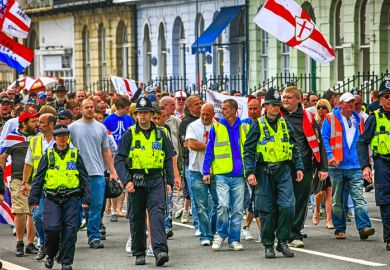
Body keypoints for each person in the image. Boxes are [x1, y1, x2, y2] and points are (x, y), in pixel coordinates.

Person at [115, 97, 179, 266]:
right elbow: (119, 159)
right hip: (135, 182)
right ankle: (139, 252)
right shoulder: (130, 134)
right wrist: (126, 180)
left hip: (156, 180)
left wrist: (169, 182)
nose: (143, 116)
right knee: (136, 217)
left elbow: (168, 158)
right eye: (140, 113)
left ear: (151, 114)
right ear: (136, 115)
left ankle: (160, 251)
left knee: (157, 215)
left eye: (146, 113)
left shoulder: (160, 133)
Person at [244, 87, 304, 258]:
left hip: (284, 170)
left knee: (288, 206)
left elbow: (294, 148)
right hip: (264, 172)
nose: (276, 108)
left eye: (278, 105)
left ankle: (283, 241)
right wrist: (250, 172)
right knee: (267, 211)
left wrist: (298, 167)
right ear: (266, 106)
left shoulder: (286, 124)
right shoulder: (257, 125)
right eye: (272, 105)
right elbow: (248, 151)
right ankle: (268, 244)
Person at [29, 124, 91, 270]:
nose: (62, 138)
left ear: (68, 137)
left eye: (65, 136)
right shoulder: (48, 155)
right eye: (59, 136)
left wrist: (86, 199)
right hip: (52, 198)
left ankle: (66, 262)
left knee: (70, 231)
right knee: (52, 229)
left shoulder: (75, 154)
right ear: (55, 138)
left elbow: (84, 178)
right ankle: (50, 254)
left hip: (72, 198)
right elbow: (38, 178)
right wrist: (34, 199)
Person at [322, 92, 375, 240]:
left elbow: (364, 143)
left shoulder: (358, 119)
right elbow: (324, 138)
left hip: (355, 166)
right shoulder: (330, 118)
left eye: (353, 102)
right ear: (340, 104)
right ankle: (340, 228)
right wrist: (330, 156)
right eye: (348, 102)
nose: (352, 104)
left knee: (359, 198)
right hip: (337, 166)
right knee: (337, 200)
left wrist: (367, 164)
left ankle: (364, 227)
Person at [281, 86, 328, 248]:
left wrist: (323, 167)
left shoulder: (308, 117)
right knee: (283, 202)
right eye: (284, 97)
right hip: (282, 167)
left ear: (298, 100)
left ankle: (294, 234)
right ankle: (281, 232)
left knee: (300, 201)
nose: (285, 100)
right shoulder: (276, 115)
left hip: (305, 166)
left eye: (289, 97)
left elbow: (318, 142)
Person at [69, 99, 118, 249]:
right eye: (86, 107)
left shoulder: (101, 128)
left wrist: (112, 171)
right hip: (77, 174)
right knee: (75, 207)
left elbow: (106, 151)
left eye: (91, 107)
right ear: (80, 109)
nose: (89, 110)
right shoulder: (72, 128)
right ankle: (70, 236)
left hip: (97, 173)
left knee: (96, 206)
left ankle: (94, 237)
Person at [203, 99, 249, 251]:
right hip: (222, 174)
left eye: (225, 108)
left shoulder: (244, 127)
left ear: (235, 110)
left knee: (237, 210)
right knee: (223, 205)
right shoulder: (216, 127)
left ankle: (234, 239)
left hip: (239, 175)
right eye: (222, 108)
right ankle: (220, 233)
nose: (222, 111)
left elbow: (249, 151)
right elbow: (209, 149)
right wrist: (206, 171)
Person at [0, 111, 39, 256]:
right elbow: (3, 156)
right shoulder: (11, 137)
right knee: (20, 211)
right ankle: (19, 243)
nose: (36, 124)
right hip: (17, 179)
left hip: (35, 179)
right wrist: (2, 177)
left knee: (33, 212)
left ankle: (30, 243)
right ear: (24, 123)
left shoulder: (38, 137)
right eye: (33, 121)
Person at [357, 78, 390, 250]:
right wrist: (365, 166)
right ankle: (389, 237)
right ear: (380, 99)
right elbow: (362, 142)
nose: (389, 99)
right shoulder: (374, 117)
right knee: (385, 201)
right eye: (386, 96)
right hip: (383, 163)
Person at [22, 113, 56, 261]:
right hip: (39, 186)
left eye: (41, 122)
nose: (38, 125)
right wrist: (24, 182)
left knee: (55, 219)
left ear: (51, 125)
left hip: (57, 185)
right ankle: (42, 243)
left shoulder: (63, 139)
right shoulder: (34, 141)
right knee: (37, 216)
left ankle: (55, 246)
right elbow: (28, 163)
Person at [186, 103, 218, 246]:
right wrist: (211, 147)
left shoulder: (218, 126)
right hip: (196, 170)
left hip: (216, 170)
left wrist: (206, 147)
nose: (205, 117)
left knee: (220, 204)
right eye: (203, 114)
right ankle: (205, 235)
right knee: (201, 204)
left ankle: (213, 229)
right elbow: (191, 144)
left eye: (208, 114)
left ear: (213, 114)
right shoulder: (193, 126)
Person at [103, 96, 134, 222]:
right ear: (120, 108)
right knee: (115, 182)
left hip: (126, 153)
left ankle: (120, 209)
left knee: (124, 180)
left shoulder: (128, 118)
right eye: (126, 109)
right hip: (114, 154)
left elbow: (133, 132)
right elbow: (105, 136)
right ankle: (114, 209)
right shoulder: (109, 120)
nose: (128, 111)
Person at [178, 95, 202, 233]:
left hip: (207, 163)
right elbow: (187, 144)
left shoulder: (206, 120)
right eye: (196, 104)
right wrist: (203, 145)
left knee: (208, 198)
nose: (199, 106)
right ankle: (198, 225)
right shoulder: (186, 123)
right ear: (190, 107)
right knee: (195, 196)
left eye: (201, 103)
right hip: (191, 164)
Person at [312, 99, 334, 229]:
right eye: (319, 107)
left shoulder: (331, 122)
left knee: (330, 192)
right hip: (318, 162)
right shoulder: (314, 123)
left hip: (330, 160)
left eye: (324, 107)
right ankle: (317, 209)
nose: (321, 110)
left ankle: (329, 220)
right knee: (319, 192)